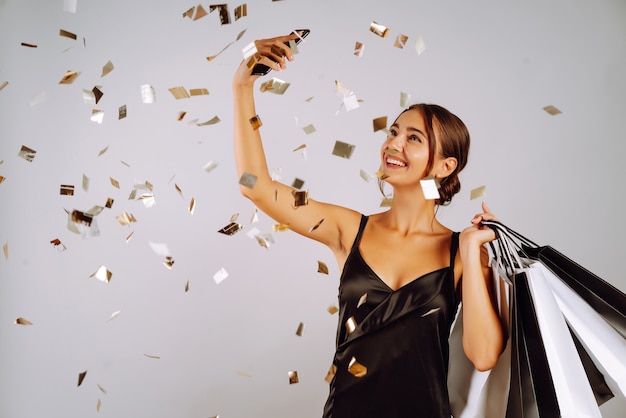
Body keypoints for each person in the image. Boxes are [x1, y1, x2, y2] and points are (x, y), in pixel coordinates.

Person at [232, 32, 505, 418]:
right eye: (393, 132)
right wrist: (242, 85)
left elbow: (483, 355)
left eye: (414, 138)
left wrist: (469, 249)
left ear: (446, 166)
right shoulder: (348, 229)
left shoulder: (461, 252)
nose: (394, 144)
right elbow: (255, 187)